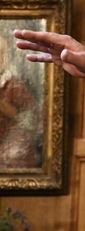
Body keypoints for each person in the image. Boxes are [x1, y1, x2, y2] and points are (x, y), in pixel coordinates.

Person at [0, 36, 42, 168]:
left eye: (3, 53)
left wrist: (14, 113)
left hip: (14, 155)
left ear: (8, 56)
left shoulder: (16, 86)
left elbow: (38, 123)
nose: (0, 58)